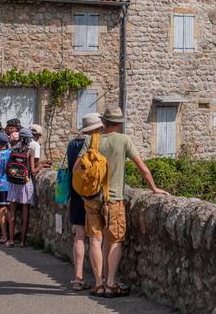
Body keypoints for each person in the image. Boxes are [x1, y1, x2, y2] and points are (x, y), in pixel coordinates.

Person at [74, 106, 167, 298]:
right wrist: (154, 189)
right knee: (115, 240)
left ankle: (98, 284)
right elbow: (143, 168)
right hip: (113, 199)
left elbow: (77, 167)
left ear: (104, 122)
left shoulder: (91, 140)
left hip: (91, 199)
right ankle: (110, 284)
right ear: (118, 123)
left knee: (95, 240)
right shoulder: (124, 140)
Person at [67, 113, 101, 291]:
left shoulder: (72, 145)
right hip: (93, 195)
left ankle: (78, 278)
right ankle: (100, 280)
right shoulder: (96, 144)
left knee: (79, 236)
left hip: (76, 193)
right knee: (96, 237)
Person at [7, 128, 40, 247]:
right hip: (25, 183)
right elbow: (33, 170)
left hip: (13, 182)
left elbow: (9, 166)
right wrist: (40, 165)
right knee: (25, 212)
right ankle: (22, 241)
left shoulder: (13, 149)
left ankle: (10, 240)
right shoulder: (30, 151)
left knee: (12, 212)